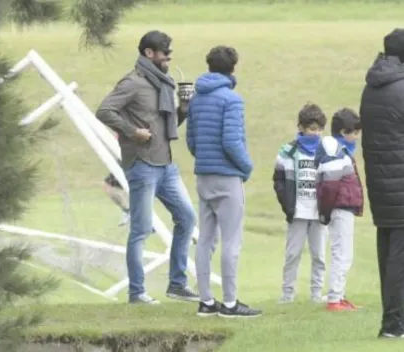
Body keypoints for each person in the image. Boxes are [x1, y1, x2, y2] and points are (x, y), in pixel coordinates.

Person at [95, 30, 199, 305]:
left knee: (187, 218)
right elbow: (104, 111)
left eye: (169, 52)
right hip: (141, 165)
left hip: (166, 165)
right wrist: (132, 132)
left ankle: (177, 284)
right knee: (140, 230)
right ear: (148, 53)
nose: (168, 57)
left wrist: (184, 108)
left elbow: (167, 128)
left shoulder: (163, 83)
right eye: (164, 52)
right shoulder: (132, 83)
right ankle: (137, 293)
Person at [186, 45, 262, 318]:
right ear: (232, 67)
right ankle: (230, 303)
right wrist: (247, 166)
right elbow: (232, 141)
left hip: (203, 175)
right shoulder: (232, 99)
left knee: (205, 240)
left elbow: (192, 141)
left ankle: (206, 301)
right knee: (231, 241)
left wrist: (206, 158)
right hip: (227, 177)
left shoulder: (195, 99)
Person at [360, 28, 404, 338]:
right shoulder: (401, 88)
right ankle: (393, 324)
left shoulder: (372, 86)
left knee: (387, 252)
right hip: (400, 184)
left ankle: (392, 321)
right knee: (399, 258)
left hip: (380, 182)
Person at [273, 103, 327, 304]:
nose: (317, 133)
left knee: (319, 256)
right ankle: (287, 294)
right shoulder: (288, 151)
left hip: (319, 213)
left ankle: (316, 294)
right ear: (302, 127)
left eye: (320, 129)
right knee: (292, 254)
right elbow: (278, 179)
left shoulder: (325, 150)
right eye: (313, 129)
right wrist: (287, 205)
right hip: (297, 213)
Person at [315, 108, 363, 312]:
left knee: (341, 252)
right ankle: (334, 299)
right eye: (354, 133)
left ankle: (339, 295)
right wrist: (326, 210)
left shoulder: (338, 150)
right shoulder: (335, 151)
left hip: (340, 207)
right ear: (343, 132)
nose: (356, 137)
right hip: (340, 207)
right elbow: (331, 185)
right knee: (343, 253)